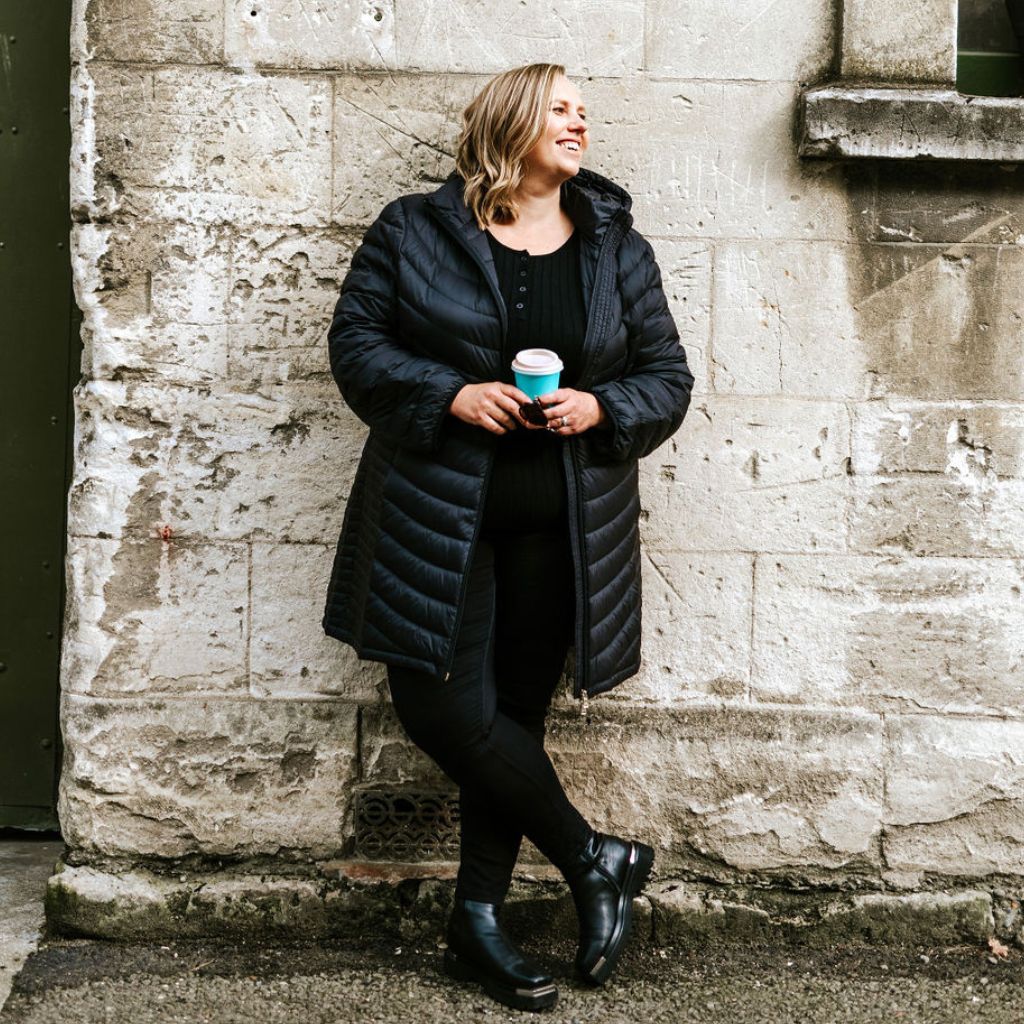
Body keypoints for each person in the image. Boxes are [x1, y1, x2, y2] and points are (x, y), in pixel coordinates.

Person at [323, 62, 694, 1011]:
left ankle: (476, 922)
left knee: (512, 724)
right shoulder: (415, 229)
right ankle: (593, 858)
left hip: (563, 530)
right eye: (560, 109)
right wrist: (447, 392)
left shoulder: (616, 246)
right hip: (436, 520)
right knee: (444, 709)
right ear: (511, 121)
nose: (579, 123)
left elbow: (667, 378)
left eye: (584, 112)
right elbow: (357, 346)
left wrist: (598, 406)